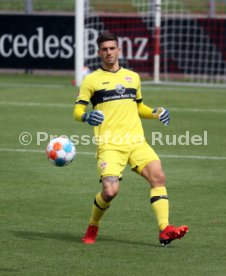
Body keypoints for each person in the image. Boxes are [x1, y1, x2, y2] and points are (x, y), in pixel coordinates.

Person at [73, 31, 188, 246]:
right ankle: (92, 226)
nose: (109, 52)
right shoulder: (91, 80)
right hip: (110, 145)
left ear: (119, 50)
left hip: (136, 141)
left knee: (158, 177)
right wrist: (87, 116)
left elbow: (138, 107)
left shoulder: (132, 77)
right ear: (99, 52)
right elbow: (77, 111)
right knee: (110, 191)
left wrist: (155, 112)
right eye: (104, 49)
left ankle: (165, 229)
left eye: (112, 48)